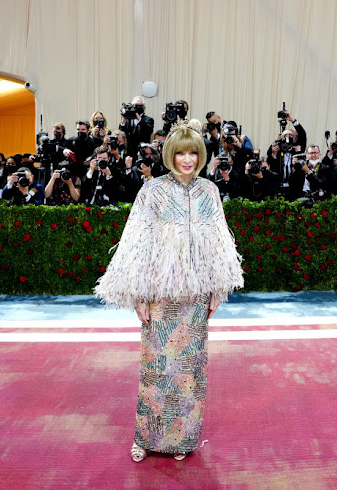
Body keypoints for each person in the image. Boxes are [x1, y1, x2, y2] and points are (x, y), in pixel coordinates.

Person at [94, 121, 244, 463]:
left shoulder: (209, 191)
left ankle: (180, 440)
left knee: (189, 369)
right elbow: (137, 242)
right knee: (157, 367)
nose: (187, 160)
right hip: (160, 294)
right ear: (170, 155)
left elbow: (220, 240)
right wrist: (139, 295)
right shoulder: (152, 191)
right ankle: (146, 439)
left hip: (195, 297)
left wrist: (219, 288)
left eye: (193, 153)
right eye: (180, 153)